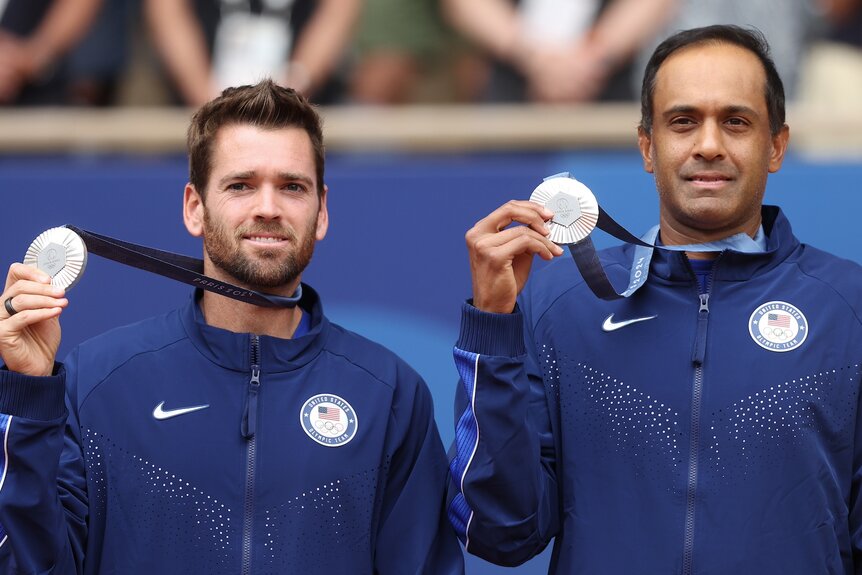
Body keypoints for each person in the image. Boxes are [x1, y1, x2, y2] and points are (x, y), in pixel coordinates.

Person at [0, 80, 464, 574]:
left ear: (322, 211)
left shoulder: (388, 394)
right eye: (240, 185)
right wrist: (27, 394)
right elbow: (29, 566)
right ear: (194, 208)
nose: (268, 207)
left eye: (292, 186)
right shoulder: (95, 382)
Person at [448, 24, 862, 574]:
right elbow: (499, 530)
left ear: (776, 146)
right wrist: (492, 329)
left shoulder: (848, 307)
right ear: (647, 145)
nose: (709, 145)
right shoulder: (560, 304)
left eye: (736, 122)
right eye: (683, 121)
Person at [144, 0, 360, 106]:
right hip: (196, 109)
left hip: (303, 106)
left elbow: (335, 13)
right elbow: (168, 13)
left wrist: (290, 91)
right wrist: (209, 101)